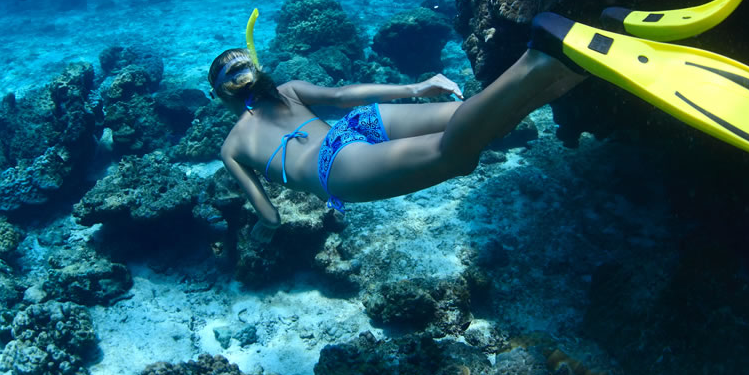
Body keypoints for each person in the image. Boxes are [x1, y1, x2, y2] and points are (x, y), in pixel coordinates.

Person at [209, 43, 585, 227]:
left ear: (220, 93)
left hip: (333, 168)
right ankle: (568, 71)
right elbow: (342, 97)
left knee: (453, 155)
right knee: (473, 116)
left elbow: (270, 215)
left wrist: (266, 226)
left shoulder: (233, 147)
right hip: (356, 124)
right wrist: (416, 88)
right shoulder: (288, 90)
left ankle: (537, 59)